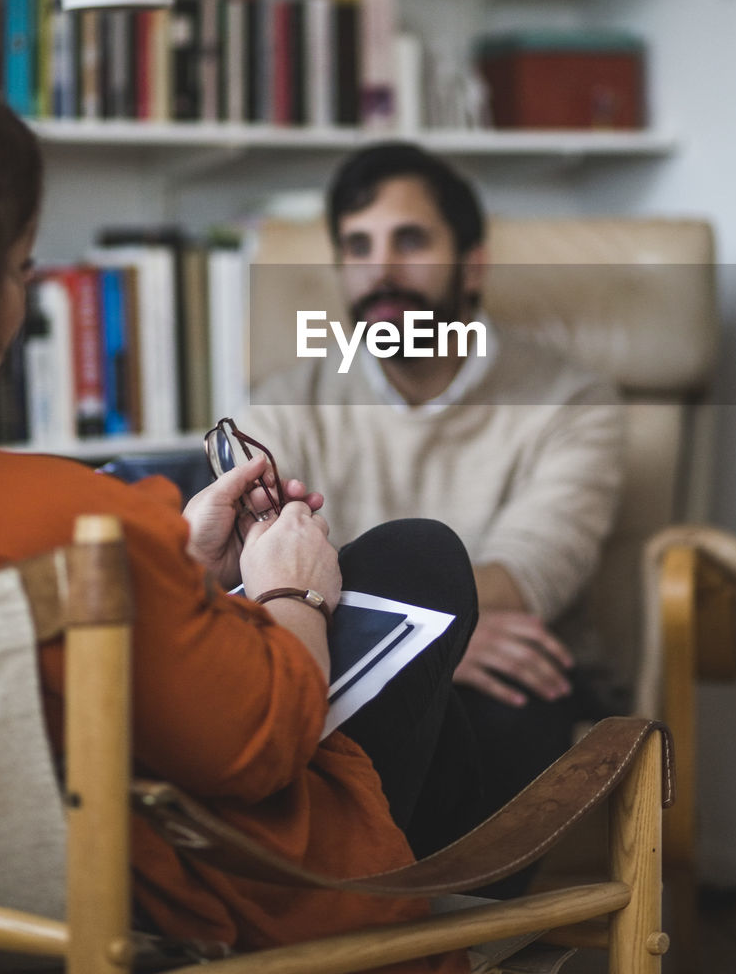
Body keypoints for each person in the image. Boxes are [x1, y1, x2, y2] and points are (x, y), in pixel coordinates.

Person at [0, 77, 482, 970]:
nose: (25, 293)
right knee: (418, 561)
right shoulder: (68, 518)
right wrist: (289, 589)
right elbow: (264, 747)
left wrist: (180, 565)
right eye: (19, 266)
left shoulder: (70, 527)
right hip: (172, 908)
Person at [241, 142, 626, 841]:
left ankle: (442, 933)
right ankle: (359, 921)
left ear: (470, 263)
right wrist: (427, 647)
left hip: (509, 668)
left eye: (409, 240)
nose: (380, 271)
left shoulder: (572, 402)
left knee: (512, 702)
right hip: (346, 669)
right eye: (358, 247)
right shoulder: (281, 408)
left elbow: (533, 574)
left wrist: (411, 646)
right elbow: (254, 568)